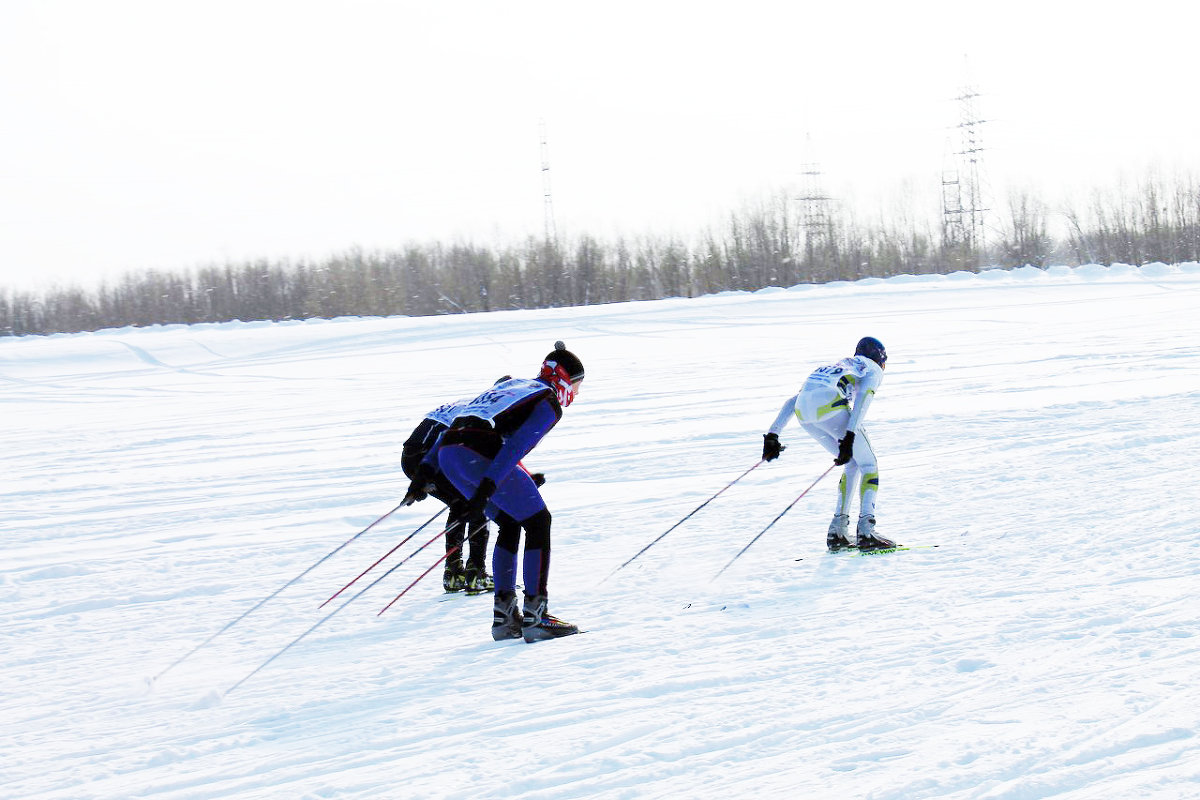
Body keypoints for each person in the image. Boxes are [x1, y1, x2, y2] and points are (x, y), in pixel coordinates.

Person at [403, 342, 584, 642]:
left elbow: (460, 423)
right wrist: (489, 486)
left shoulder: (515, 385)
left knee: (510, 522)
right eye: (577, 385)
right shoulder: (547, 401)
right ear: (564, 380)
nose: (576, 394)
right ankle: (537, 617)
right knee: (539, 521)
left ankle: (504, 618)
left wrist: (424, 472)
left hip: (449, 453)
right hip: (478, 454)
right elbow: (515, 447)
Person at [761, 336, 895, 551]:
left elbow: (796, 399)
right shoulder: (872, 369)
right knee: (869, 465)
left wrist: (773, 435)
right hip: (830, 407)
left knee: (852, 463)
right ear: (879, 359)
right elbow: (863, 400)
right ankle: (866, 531)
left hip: (804, 414)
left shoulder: (836, 366)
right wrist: (850, 435)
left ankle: (838, 532)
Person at [401, 394, 498, 594]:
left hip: (409, 456)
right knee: (477, 500)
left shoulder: (472, 401)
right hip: (430, 456)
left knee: (460, 503)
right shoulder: (488, 411)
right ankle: (475, 573)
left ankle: (454, 573)